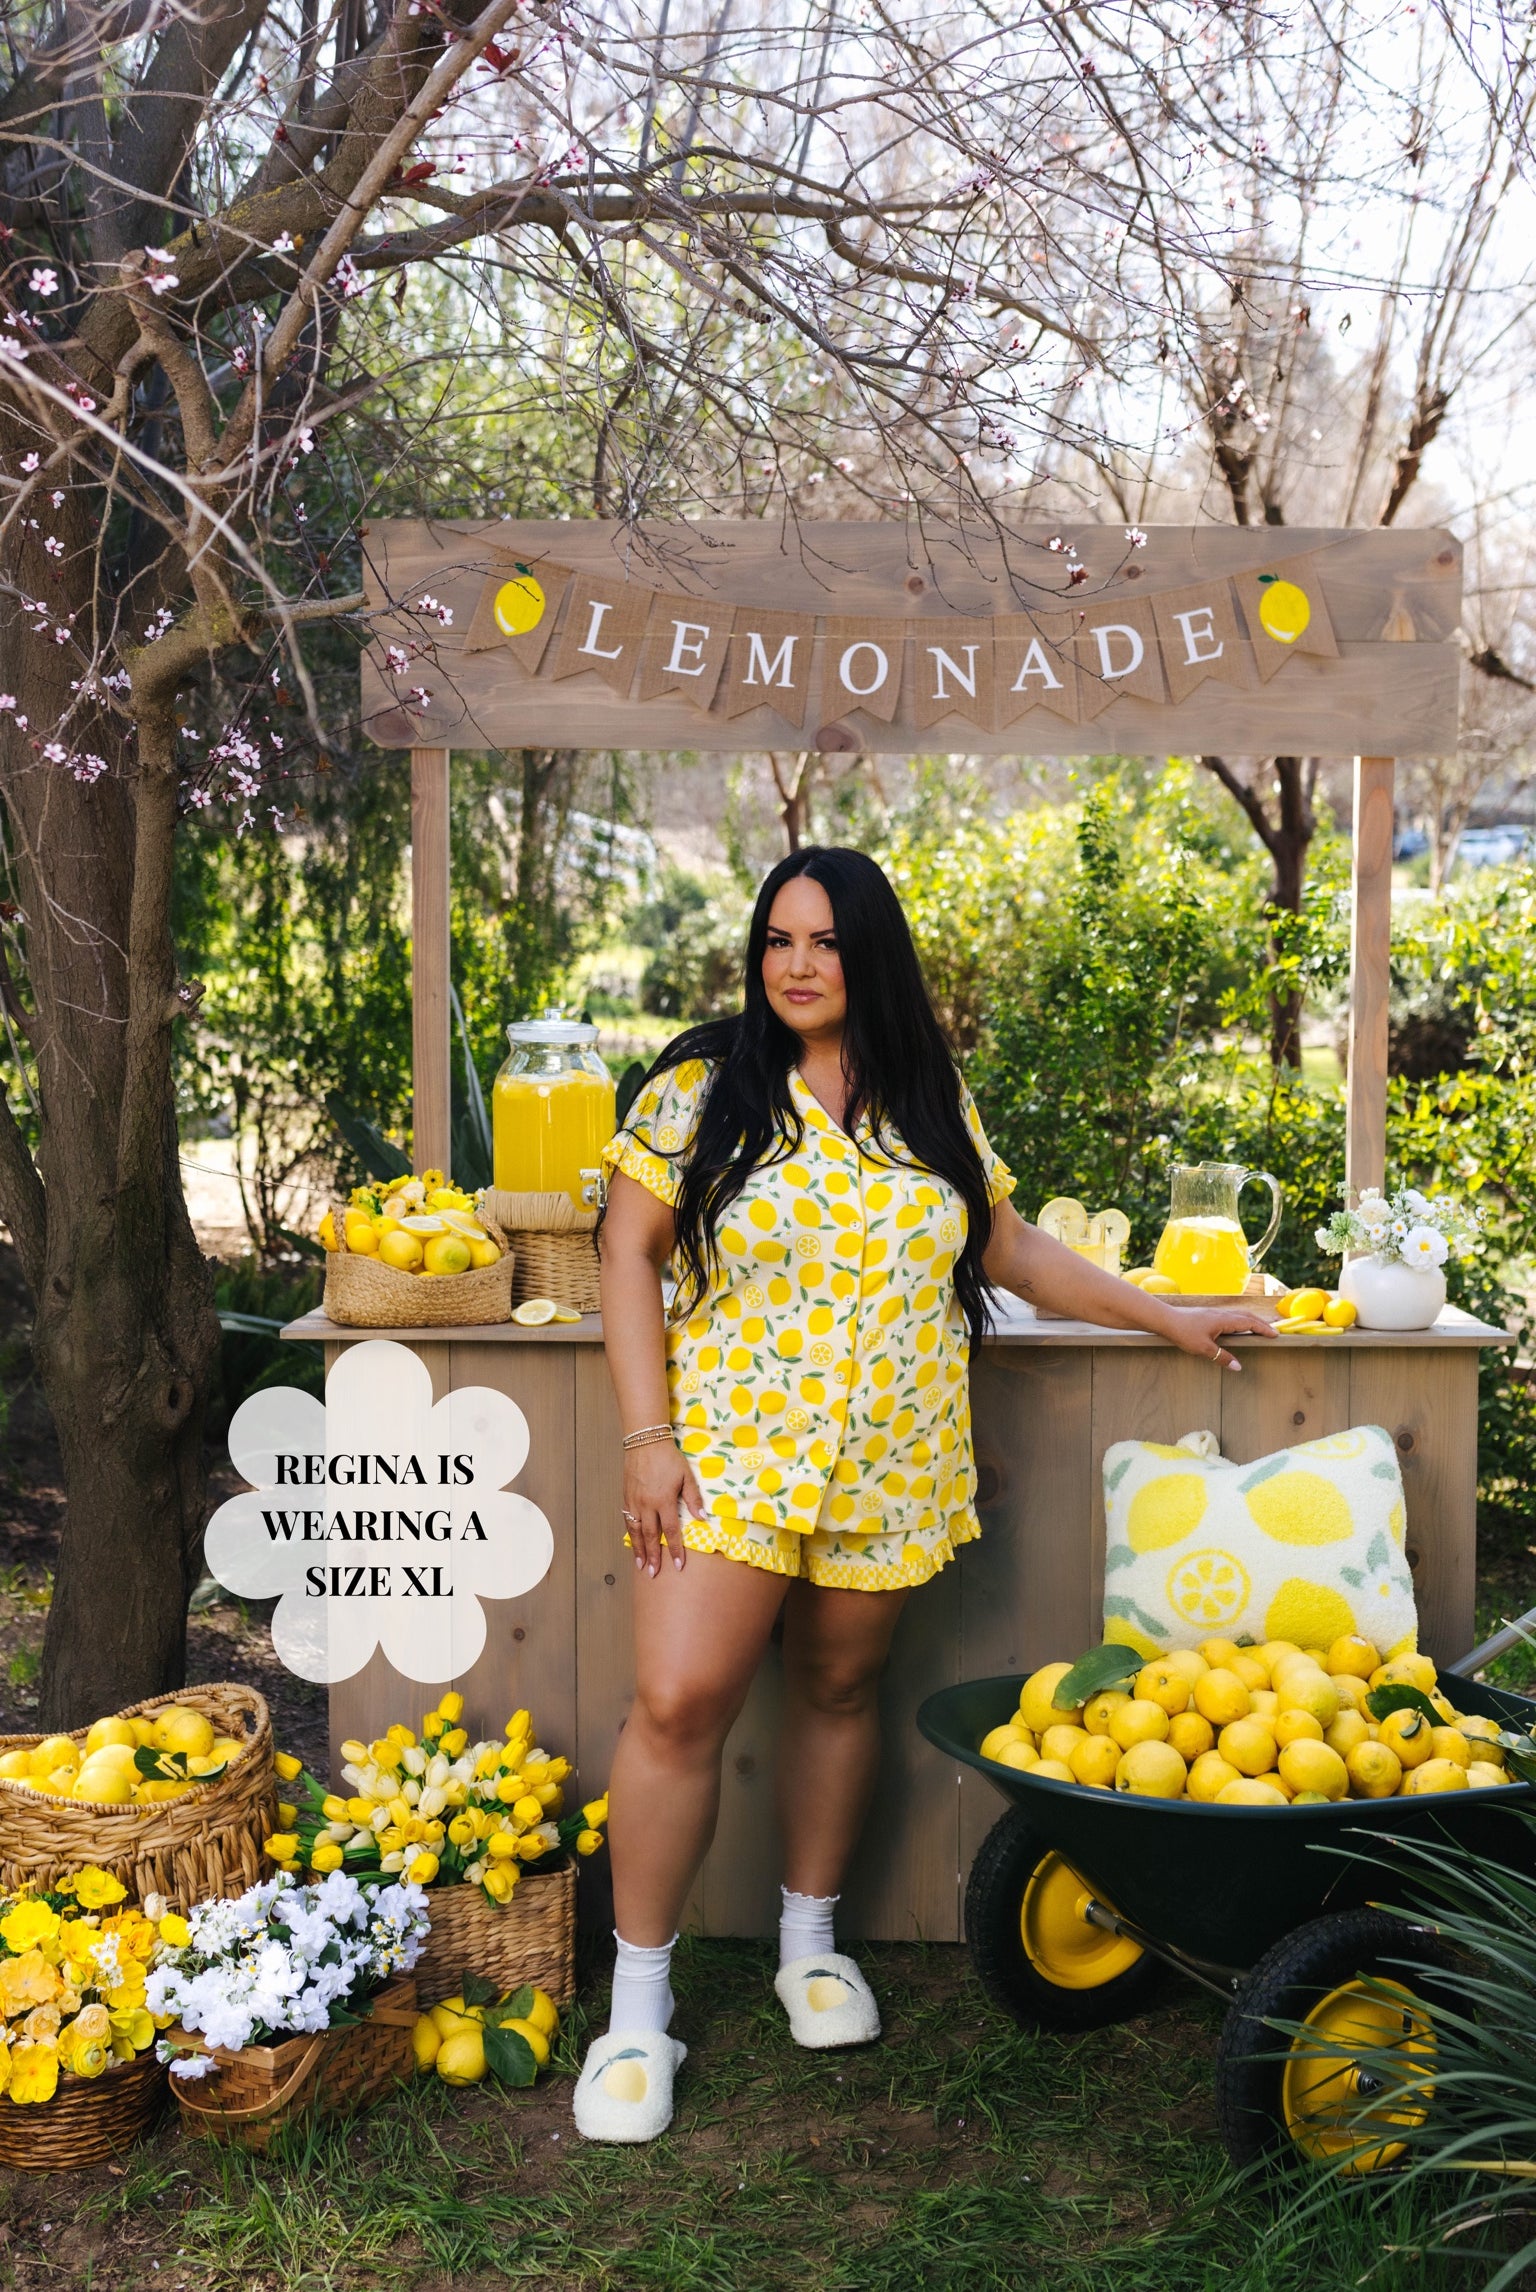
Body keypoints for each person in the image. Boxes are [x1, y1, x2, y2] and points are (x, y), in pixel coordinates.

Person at [572, 846, 1272, 2141]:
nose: (796, 963)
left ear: (869, 954)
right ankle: (639, 2010)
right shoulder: (702, 1089)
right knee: (675, 1706)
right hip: (726, 1453)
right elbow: (628, 1247)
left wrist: (1168, 1316)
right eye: (779, 938)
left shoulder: (925, 1096)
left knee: (841, 1691)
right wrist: (644, 1437)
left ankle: (809, 1944)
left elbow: (1005, 1245)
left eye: (826, 941)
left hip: (893, 1454)